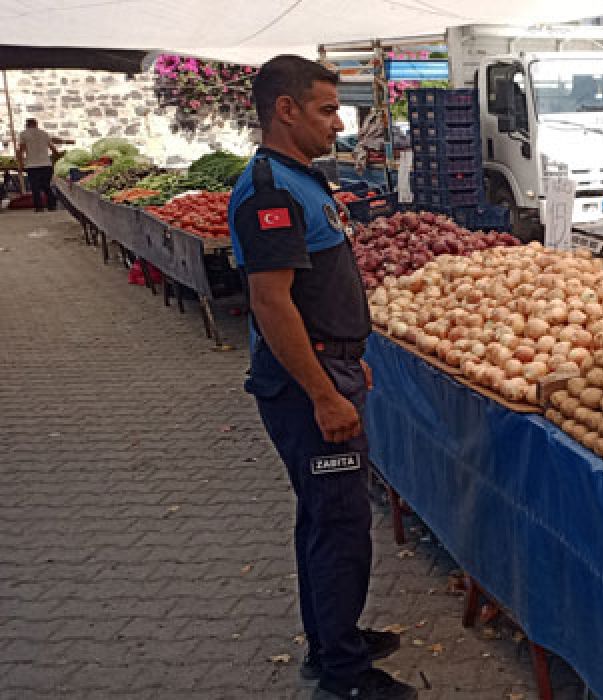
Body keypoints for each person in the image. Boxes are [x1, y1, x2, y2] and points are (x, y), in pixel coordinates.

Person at [227, 55, 415, 700]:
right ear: (286, 110)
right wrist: (322, 391)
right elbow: (271, 302)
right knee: (338, 522)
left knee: (326, 515)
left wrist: (343, 352)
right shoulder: (270, 191)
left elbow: (312, 290)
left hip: (325, 362)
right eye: (327, 109)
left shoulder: (298, 179)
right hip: (303, 387)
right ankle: (343, 672)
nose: (338, 124)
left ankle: (334, 635)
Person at [18, 118, 58, 212]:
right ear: (36, 124)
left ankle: (39, 207)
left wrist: (20, 164)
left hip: (32, 165)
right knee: (46, 186)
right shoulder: (44, 133)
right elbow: (53, 148)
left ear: (27, 125)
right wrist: (56, 157)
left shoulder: (24, 134)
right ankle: (52, 205)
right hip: (46, 164)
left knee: (35, 187)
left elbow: (21, 150)